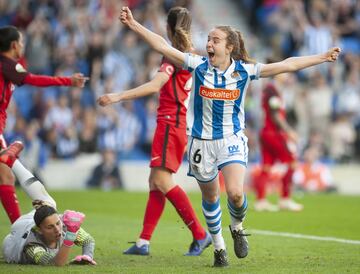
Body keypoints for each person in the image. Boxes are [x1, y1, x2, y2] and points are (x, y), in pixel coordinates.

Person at [119, 6, 340, 267]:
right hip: (201, 143)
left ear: (230, 47)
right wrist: (134, 25)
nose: (208, 44)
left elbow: (287, 64)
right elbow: (163, 46)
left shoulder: (244, 71)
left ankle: (236, 227)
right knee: (211, 198)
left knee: (235, 194)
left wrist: (322, 57)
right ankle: (219, 247)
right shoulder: (198, 65)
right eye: (208, 39)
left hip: (232, 140)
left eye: (215, 40)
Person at [97, 6, 211, 256]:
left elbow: (156, 84)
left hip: (171, 123)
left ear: (170, 28)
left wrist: (118, 96)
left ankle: (200, 234)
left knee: (161, 180)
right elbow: (159, 42)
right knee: (155, 182)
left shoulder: (172, 57)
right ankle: (143, 242)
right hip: (176, 124)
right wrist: (135, 24)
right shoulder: (185, 53)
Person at [0, 25, 88, 224]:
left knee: (6, 177)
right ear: (14, 45)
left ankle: (17, 228)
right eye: (21, 42)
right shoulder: (6, 65)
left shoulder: (8, 66)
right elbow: (34, 79)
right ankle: (18, 231)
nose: (23, 45)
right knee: (6, 174)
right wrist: (67, 81)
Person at [1, 141, 96, 266]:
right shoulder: (32, 244)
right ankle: (12, 161)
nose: (57, 230)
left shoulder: (63, 224)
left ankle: (12, 161)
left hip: (35, 218)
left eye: (57, 224)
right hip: (15, 239)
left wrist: (87, 256)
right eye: (50, 227)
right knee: (50, 204)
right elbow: (54, 263)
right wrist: (70, 237)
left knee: (51, 204)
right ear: (40, 230)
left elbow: (88, 241)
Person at [254, 73, 303, 212]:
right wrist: (289, 131)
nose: (287, 74)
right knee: (292, 162)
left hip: (265, 132)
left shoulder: (270, 90)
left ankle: (261, 201)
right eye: (284, 72)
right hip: (273, 133)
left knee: (266, 167)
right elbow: (275, 115)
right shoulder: (272, 90)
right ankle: (285, 199)